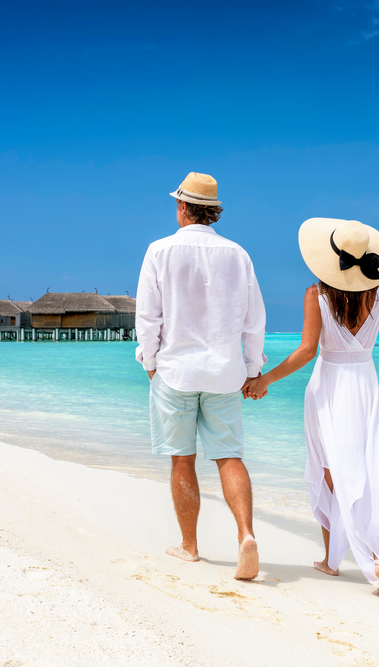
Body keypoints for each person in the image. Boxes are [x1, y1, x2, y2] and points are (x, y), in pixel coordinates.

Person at [245, 218, 379, 596]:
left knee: (332, 472)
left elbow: (307, 351)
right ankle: (347, 557)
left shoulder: (317, 294)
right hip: (365, 385)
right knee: (366, 467)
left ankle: (363, 557)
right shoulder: (378, 292)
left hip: (328, 387)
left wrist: (266, 379)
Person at [135, 172, 267, 581]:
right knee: (229, 456)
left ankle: (190, 546)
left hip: (176, 370)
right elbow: (253, 320)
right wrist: (252, 369)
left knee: (182, 459)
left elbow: (148, 316)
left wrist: (150, 362)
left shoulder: (159, 250)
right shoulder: (238, 254)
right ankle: (246, 534)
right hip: (225, 372)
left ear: (181, 207)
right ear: (212, 211)